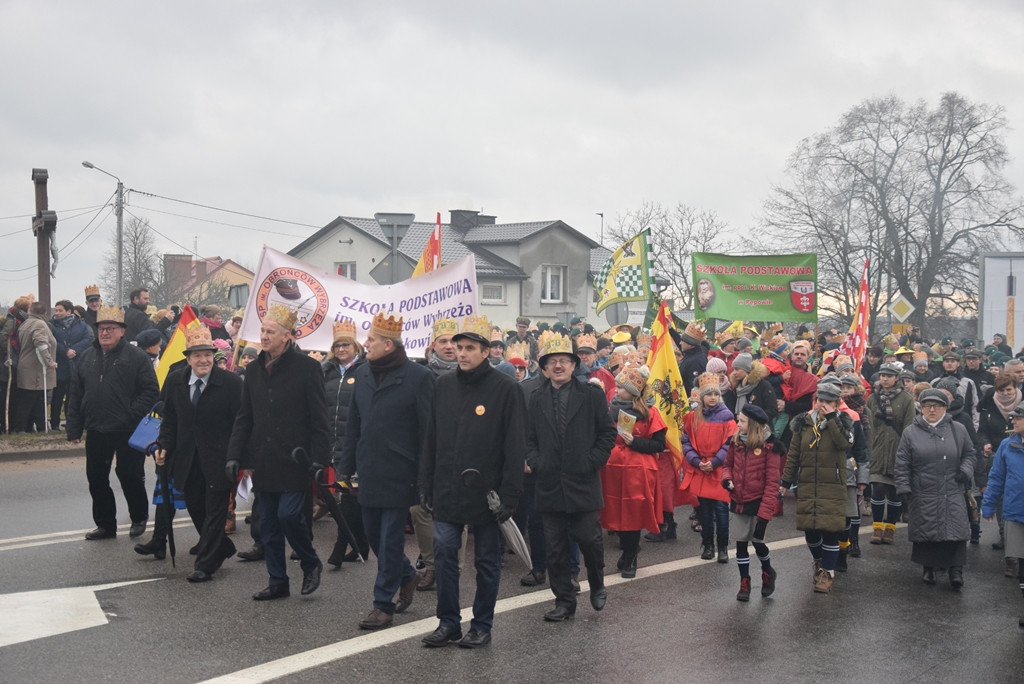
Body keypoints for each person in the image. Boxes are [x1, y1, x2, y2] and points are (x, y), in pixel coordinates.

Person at [419, 315, 526, 649]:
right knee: (445, 554)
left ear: (484, 351)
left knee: (486, 561)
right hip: (448, 489)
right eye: (458, 347)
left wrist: (509, 496)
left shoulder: (506, 388)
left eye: (469, 348)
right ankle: (449, 622)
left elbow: (514, 444)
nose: (460, 352)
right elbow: (431, 438)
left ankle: (482, 625)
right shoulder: (443, 385)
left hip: (488, 493)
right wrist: (425, 483)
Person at [337, 311, 434, 630]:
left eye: (372, 340)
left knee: (390, 540)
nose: (366, 344)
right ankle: (406, 575)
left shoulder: (418, 377)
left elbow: (426, 431)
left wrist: (424, 478)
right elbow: (354, 425)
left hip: (400, 471)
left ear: (389, 345)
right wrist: (344, 466)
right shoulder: (362, 375)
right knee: (374, 537)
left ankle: (383, 605)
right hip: (368, 470)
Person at [225, 303, 328, 601]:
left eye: (270, 331)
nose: (264, 336)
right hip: (263, 460)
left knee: (289, 516)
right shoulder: (254, 369)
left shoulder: (308, 368)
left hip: (296, 459)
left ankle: (310, 562)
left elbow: (319, 418)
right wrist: (235, 455)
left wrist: (319, 458)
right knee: (267, 525)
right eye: (263, 330)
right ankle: (277, 581)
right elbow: (245, 417)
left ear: (287, 336)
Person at [525, 333, 616, 622]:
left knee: (589, 540)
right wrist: (537, 463)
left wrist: (592, 461)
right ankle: (564, 600)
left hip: (583, 480)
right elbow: (528, 439)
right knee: (555, 549)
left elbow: (607, 433)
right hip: (549, 483)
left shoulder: (591, 394)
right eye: (552, 362)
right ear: (544, 367)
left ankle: (598, 583)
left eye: (564, 361)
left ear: (574, 365)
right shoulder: (536, 398)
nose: (558, 366)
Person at [154, 325, 242, 582]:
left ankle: (205, 564)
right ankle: (222, 547)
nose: (203, 360)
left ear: (214, 356)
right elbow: (169, 419)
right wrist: (164, 445)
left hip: (219, 459)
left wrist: (239, 456)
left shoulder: (230, 383)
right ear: (188, 358)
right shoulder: (176, 381)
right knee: (196, 507)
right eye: (197, 355)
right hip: (186, 459)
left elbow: (241, 422)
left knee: (216, 511)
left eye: (207, 355)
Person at [66, 304, 159, 540]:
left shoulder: (137, 357)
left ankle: (138, 517)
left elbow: (150, 392)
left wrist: (130, 413)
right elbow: (76, 393)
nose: (105, 333)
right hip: (97, 428)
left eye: (110, 328)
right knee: (97, 479)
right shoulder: (87, 357)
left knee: (129, 475)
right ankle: (106, 525)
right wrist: (74, 427)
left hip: (127, 428)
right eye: (101, 329)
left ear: (122, 331)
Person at [895, 388, 976, 589]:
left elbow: (970, 454)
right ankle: (928, 568)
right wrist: (903, 486)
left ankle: (956, 570)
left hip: (952, 488)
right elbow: (902, 462)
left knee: (956, 531)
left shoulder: (958, 429)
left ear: (945, 408)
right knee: (926, 531)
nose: (931, 409)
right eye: (926, 406)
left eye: (936, 405)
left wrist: (965, 471)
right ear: (920, 408)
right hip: (923, 490)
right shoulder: (910, 432)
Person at [781, 382, 854, 594]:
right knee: (811, 530)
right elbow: (794, 453)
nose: (823, 405)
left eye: (828, 402)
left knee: (830, 530)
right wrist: (785, 481)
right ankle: (820, 561)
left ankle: (827, 573)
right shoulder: (803, 423)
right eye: (820, 400)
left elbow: (844, 444)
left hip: (832, 483)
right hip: (808, 483)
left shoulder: (843, 421)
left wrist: (831, 419)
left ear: (837, 404)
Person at [600, 365, 666, 579]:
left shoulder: (650, 413)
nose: (616, 390)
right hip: (613, 470)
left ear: (633, 392)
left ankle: (630, 556)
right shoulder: (610, 409)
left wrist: (635, 442)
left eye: (621, 387)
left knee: (633, 515)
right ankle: (630, 549)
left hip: (638, 472)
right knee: (615, 513)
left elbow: (658, 445)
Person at [412, 317, 460, 590]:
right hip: (426, 451)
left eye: (454, 341)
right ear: (433, 345)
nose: (450, 347)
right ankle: (431, 564)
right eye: (443, 341)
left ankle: (453, 568)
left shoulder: (473, 373)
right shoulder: (421, 374)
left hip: (458, 453)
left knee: (457, 515)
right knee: (420, 510)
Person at [722, 403, 783, 601]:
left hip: (758, 504)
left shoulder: (770, 447)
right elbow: (727, 465)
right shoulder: (736, 442)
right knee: (740, 544)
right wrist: (727, 479)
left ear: (754, 424)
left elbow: (773, 482)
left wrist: (764, 515)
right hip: (739, 501)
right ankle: (744, 581)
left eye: (741, 421)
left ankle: (767, 572)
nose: (737, 424)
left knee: (758, 543)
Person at [322, 319, 369, 568]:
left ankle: (342, 545)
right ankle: (360, 544)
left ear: (355, 346)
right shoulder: (326, 371)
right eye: (337, 345)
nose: (341, 349)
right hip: (332, 442)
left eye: (346, 345)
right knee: (346, 494)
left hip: (355, 444)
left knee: (348, 495)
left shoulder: (364, 370)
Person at [682, 373, 737, 562]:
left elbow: (729, 444)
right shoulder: (692, 417)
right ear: (702, 396)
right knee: (704, 511)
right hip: (701, 467)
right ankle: (707, 546)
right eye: (708, 394)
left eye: (715, 394)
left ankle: (723, 548)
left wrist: (714, 462)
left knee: (721, 510)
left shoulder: (727, 418)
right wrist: (697, 461)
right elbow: (686, 441)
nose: (712, 397)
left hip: (718, 469)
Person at [981, 402, 1024, 626]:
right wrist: (988, 506)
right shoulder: (1008, 445)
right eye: (1014, 416)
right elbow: (996, 478)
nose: (1013, 420)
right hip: (1016, 512)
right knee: (1021, 564)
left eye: (1018, 417)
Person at [866, 362, 916, 545]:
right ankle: (877, 528)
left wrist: (907, 453)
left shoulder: (906, 399)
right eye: (882, 375)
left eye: (889, 375)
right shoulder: (872, 398)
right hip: (877, 449)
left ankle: (890, 529)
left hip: (898, 449)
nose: (884, 379)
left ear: (897, 378)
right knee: (877, 489)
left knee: (895, 492)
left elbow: (909, 427)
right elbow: (867, 425)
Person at [49, 299, 93, 431]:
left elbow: (88, 339)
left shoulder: (80, 324)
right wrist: (65, 350)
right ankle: (54, 423)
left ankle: (71, 422)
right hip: (60, 364)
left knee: (73, 396)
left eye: (60, 310)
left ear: (69, 311)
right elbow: (52, 341)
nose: (57, 313)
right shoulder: (52, 325)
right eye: (56, 310)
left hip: (76, 363)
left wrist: (75, 350)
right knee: (57, 396)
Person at [14, 302, 58, 433]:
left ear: (30, 311)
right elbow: (41, 345)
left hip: (27, 367)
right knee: (29, 400)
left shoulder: (26, 323)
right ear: (44, 313)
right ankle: (20, 428)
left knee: (35, 400)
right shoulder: (39, 324)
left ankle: (38, 426)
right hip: (36, 369)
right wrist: (49, 362)